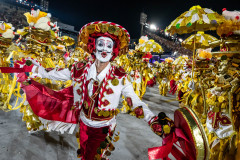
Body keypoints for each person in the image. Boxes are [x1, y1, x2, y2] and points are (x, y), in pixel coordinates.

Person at [13, 21, 173, 160]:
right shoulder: (80, 68)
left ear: (114, 50)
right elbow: (55, 74)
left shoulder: (120, 75)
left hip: (104, 127)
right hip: (83, 123)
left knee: (93, 156)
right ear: (93, 46)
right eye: (101, 44)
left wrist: (152, 119)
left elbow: (134, 100)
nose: (104, 49)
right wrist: (32, 68)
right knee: (84, 153)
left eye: (109, 45)